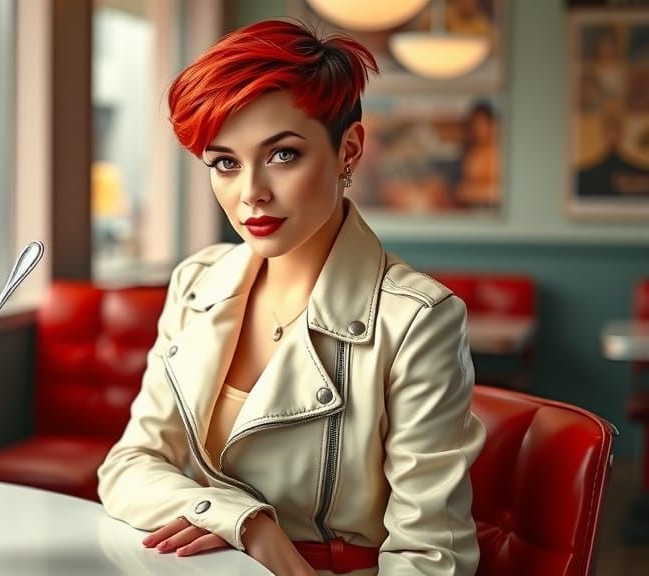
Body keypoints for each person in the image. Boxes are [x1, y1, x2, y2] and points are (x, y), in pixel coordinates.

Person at [97, 19, 486, 576]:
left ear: (348, 150)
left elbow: (431, 558)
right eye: (225, 162)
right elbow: (129, 466)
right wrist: (247, 524)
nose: (251, 192)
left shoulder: (416, 321)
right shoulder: (196, 282)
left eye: (282, 155)